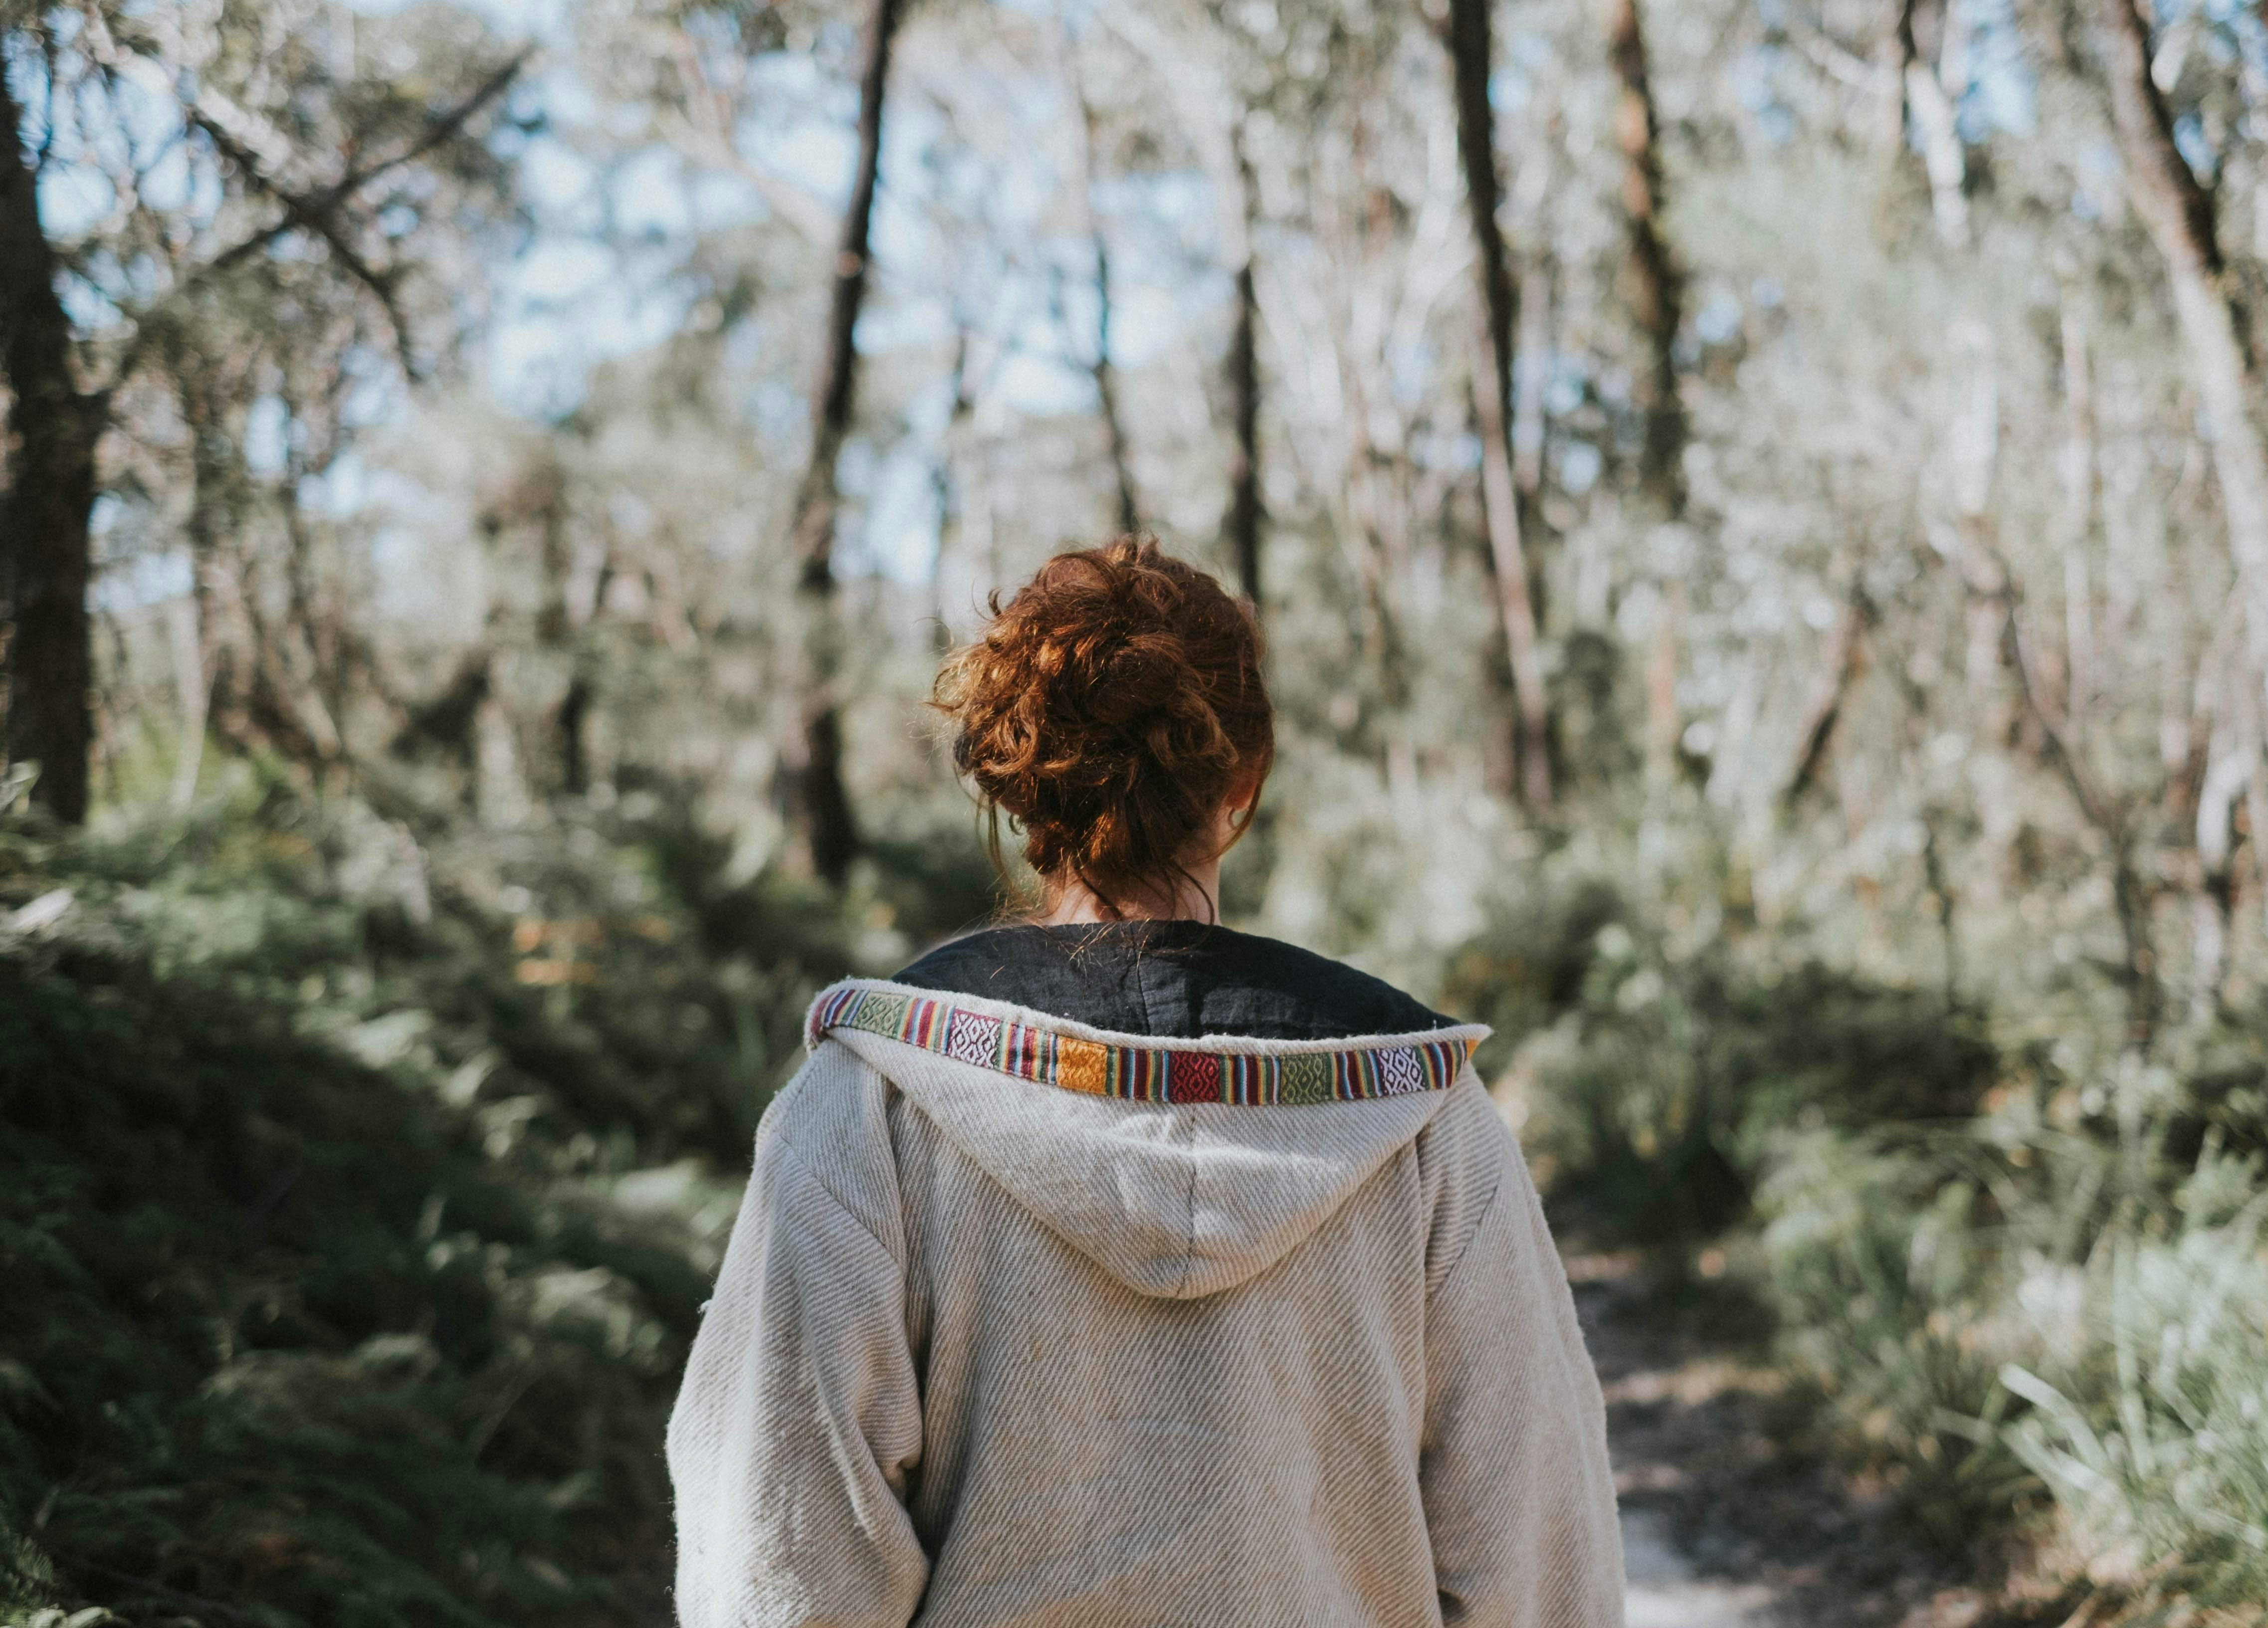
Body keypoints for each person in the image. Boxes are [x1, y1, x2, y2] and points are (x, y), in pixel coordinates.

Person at [666, 538, 1624, 1627]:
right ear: (1243, 781)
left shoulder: (869, 1107)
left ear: (1022, 791)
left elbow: (778, 1560)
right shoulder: (1424, 1120)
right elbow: (1538, 1559)